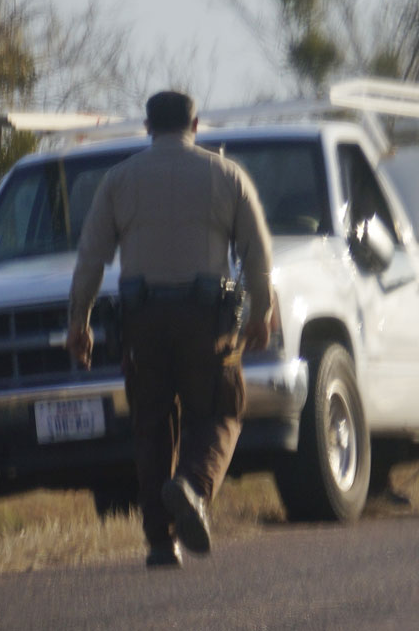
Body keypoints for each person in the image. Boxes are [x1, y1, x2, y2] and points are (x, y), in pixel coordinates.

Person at [66, 90, 278, 568]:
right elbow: (257, 256)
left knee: (151, 427)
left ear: (146, 128)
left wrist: (78, 322)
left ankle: (160, 542)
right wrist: (262, 314)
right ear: (196, 125)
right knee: (221, 410)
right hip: (206, 322)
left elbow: (91, 260)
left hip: (141, 323)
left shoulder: (118, 180)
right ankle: (193, 487)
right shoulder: (227, 176)